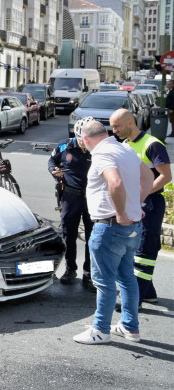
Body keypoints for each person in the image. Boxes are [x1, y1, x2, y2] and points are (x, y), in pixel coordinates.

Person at [73, 120, 153, 345]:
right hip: (132, 227)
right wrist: (135, 206)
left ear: (86, 140)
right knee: (127, 278)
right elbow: (148, 177)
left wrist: (120, 213)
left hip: (110, 226)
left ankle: (100, 330)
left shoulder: (102, 154)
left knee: (104, 282)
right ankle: (130, 327)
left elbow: (115, 183)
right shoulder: (124, 148)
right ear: (106, 132)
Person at [109, 108, 171, 306]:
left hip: (151, 203)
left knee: (145, 248)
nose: (114, 131)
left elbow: (166, 176)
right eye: (112, 127)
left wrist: (141, 195)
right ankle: (148, 291)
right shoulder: (126, 145)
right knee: (134, 247)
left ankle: (134, 299)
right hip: (135, 202)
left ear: (130, 122)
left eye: (117, 126)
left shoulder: (152, 144)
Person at [48, 117, 94, 290]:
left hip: (92, 199)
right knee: (68, 235)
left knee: (92, 238)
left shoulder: (98, 148)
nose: (85, 143)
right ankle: (70, 269)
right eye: (83, 139)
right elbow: (52, 161)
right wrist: (54, 171)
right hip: (70, 197)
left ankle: (88, 274)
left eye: (88, 139)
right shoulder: (64, 145)